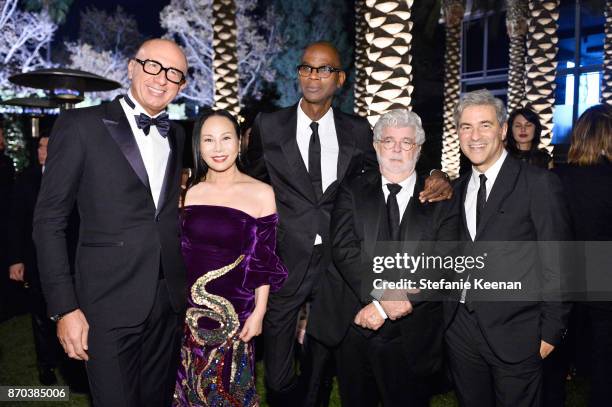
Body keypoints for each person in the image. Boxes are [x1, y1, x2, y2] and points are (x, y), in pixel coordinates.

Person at [245, 41, 453, 406]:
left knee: (322, 371)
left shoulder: (357, 130)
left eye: (324, 69)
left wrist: (436, 174)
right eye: (307, 68)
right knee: (278, 377)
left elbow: (391, 168)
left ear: (339, 79)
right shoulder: (269, 124)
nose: (314, 75)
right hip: (286, 263)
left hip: (340, 272)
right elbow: (250, 180)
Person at [33, 38, 188, 407]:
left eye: (174, 73)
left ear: (182, 85)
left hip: (167, 303)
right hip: (105, 304)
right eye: (152, 65)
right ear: (132, 67)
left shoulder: (178, 134)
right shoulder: (80, 125)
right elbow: (49, 221)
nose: (162, 78)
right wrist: (65, 308)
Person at [444, 89, 571, 407]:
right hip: (460, 330)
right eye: (466, 127)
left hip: (519, 331)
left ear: (502, 131)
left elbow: (559, 259)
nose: (474, 136)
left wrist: (551, 331)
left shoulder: (538, 183)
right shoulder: (456, 190)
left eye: (485, 125)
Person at [330, 109, 458, 406]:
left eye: (407, 142)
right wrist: (383, 296)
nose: (397, 149)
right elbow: (344, 249)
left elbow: (444, 261)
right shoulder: (351, 191)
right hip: (358, 329)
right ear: (375, 146)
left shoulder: (441, 199)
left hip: (416, 334)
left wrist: (387, 308)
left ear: (419, 148)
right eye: (388, 141)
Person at [173, 109, 287, 406]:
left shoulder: (262, 193)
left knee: (228, 390)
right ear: (199, 146)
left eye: (226, 138)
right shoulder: (189, 192)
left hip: (235, 315)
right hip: (186, 314)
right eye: (208, 140)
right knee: (187, 390)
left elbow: (263, 259)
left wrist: (259, 313)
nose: (218, 148)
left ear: (240, 143)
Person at [554, 104, 612, 407]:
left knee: (559, 345)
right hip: (605, 270)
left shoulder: (558, 178)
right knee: (606, 351)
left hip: (565, 270)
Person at [7, 135, 62, 385]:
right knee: (40, 314)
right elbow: (15, 222)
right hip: (36, 259)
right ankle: (46, 365)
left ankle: (69, 362)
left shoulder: (71, 174)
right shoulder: (26, 178)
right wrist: (16, 259)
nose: (44, 151)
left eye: (49, 146)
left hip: (68, 260)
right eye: (40, 146)